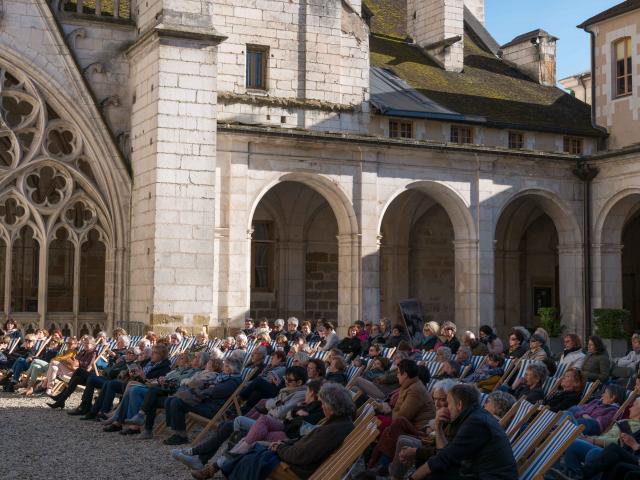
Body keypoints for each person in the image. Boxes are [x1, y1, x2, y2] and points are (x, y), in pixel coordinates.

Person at [206, 382, 355, 480]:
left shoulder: (333, 429)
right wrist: (286, 443)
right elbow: (302, 438)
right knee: (253, 441)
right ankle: (219, 465)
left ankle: (218, 465)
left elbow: (300, 454)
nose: (322, 406)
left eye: (323, 403)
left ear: (331, 406)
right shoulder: (339, 423)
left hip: (295, 467)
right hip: (292, 444)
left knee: (252, 449)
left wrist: (280, 447)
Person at [404, 384, 517, 480]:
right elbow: (444, 451)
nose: (446, 408)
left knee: (433, 473)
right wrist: (438, 426)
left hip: (490, 477)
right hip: (481, 472)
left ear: (459, 405)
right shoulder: (475, 416)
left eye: (448, 404)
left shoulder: (475, 424)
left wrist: (412, 478)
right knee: (434, 468)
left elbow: (443, 457)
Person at [367, 359, 436, 469]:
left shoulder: (415, 390)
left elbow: (400, 416)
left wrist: (393, 410)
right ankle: (376, 463)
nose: (397, 376)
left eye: (398, 373)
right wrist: (395, 410)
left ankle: (376, 463)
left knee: (392, 427)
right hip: (411, 425)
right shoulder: (408, 386)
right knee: (388, 428)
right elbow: (398, 410)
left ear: (405, 374)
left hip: (421, 430)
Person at [162, 356, 243, 445]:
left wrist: (205, 387)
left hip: (212, 409)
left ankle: (181, 436)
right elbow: (208, 386)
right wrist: (206, 386)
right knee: (173, 399)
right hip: (205, 403)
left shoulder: (232, 381)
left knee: (177, 402)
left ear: (232, 369)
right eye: (225, 365)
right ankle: (175, 430)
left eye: (226, 366)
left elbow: (214, 391)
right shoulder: (224, 377)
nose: (224, 368)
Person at [560, 397, 640, 478]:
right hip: (603, 443)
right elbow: (615, 440)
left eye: (634, 406)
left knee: (594, 451)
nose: (630, 408)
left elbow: (618, 443)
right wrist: (590, 438)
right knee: (572, 441)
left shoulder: (637, 427)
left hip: (604, 446)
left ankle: (579, 475)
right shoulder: (624, 421)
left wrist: (594, 440)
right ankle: (572, 474)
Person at [46, 336, 98, 409]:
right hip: (77, 372)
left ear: (93, 344)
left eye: (87, 343)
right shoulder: (83, 351)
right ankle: (60, 401)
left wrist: (78, 362)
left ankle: (59, 398)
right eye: (84, 343)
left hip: (85, 374)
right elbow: (76, 360)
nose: (85, 345)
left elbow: (87, 365)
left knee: (57, 365)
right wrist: (72, 360)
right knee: (74, 378)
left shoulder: (93, 353)